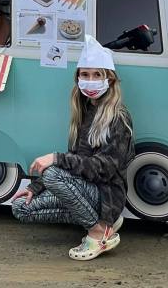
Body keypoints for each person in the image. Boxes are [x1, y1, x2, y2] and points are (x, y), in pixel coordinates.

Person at [12, 35, 134, 261]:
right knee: (20, 207)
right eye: (85, 75)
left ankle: (99, 231)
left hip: (105, 194)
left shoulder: (118, 118)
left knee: (52, 172)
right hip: (80, 191)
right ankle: (101, 221)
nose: (90, 80)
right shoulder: (84, 110)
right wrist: (36, 188)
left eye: (97, 75)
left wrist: (56, 159)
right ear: (77, 78)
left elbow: (105, 169)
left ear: (110, 80)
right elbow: (76, 158)